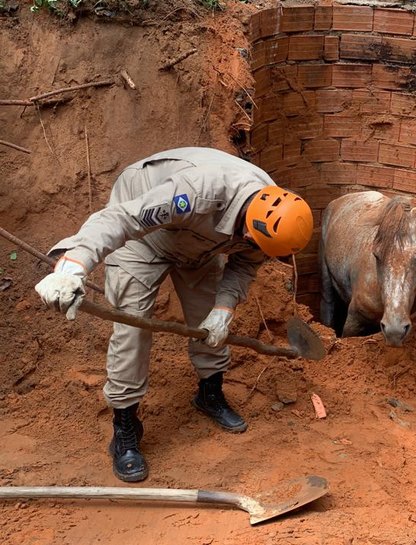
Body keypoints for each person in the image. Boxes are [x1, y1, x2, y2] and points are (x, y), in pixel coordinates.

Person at [34, 147, 313, 482]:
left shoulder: (272, 222)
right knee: (132, 328)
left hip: (202, 243)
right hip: (143, 238)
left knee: (210, 322)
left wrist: (224, 310)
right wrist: (74, 265)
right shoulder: (195, 192)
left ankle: (209, 394)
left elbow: (244, 266)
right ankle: (125, 427)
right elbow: (122, 219)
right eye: (254, 242)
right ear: (250, 228)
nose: (256, 249)